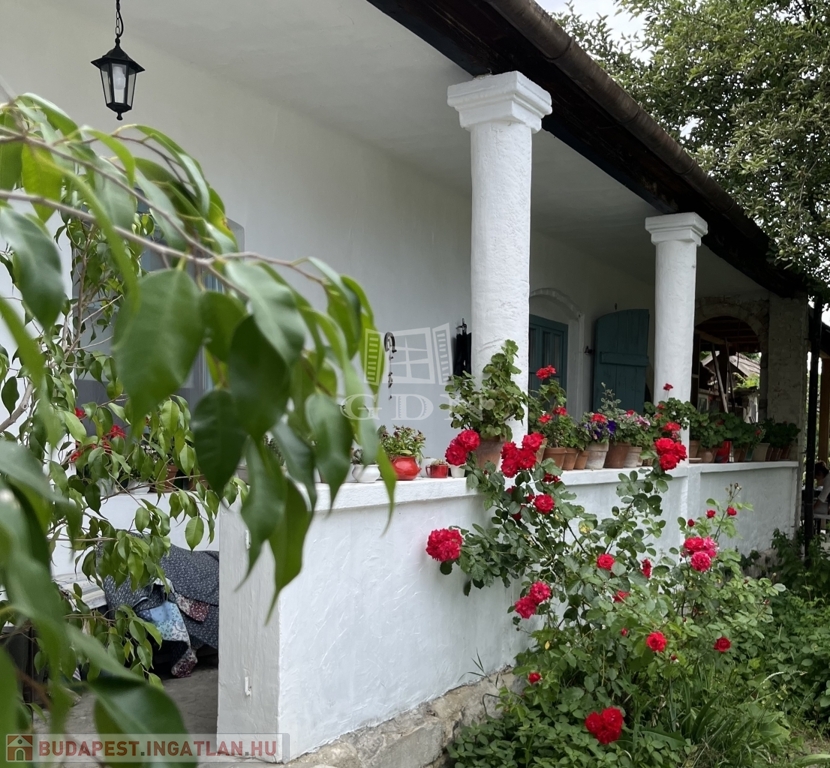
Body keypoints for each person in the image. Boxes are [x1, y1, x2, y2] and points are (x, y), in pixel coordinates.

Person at [814, 462, 830, 527]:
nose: (816, 479)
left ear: (820, 474)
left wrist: (813, 508)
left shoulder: (828, 480)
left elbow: (822, 497)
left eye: (816, 477)